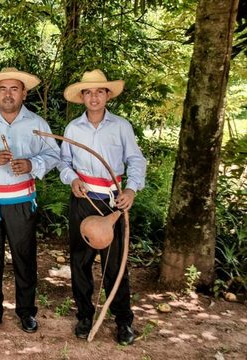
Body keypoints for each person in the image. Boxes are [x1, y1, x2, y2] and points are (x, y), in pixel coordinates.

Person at [0, 68, 60, 334]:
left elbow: (54, 155)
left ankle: (26, 312)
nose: (8, 94)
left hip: (22, 201)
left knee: (24, 259)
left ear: (24, 93)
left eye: (14, 89)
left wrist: (32, 163)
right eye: (2, 88)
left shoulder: (37, 123)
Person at [60, 69, 146, 345]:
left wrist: (131, 189)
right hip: (83, 200)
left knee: (115, 264)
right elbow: (63, 162)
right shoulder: (73, 128)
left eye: (99, 91)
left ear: (108, 95)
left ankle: (123, 321)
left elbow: (136, 160)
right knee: (80, 261)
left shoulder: (121, 126)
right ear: (82, 97)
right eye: (88, 92)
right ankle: (85, 316)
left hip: (113, 201)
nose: (94, 97)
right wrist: (72, 179)